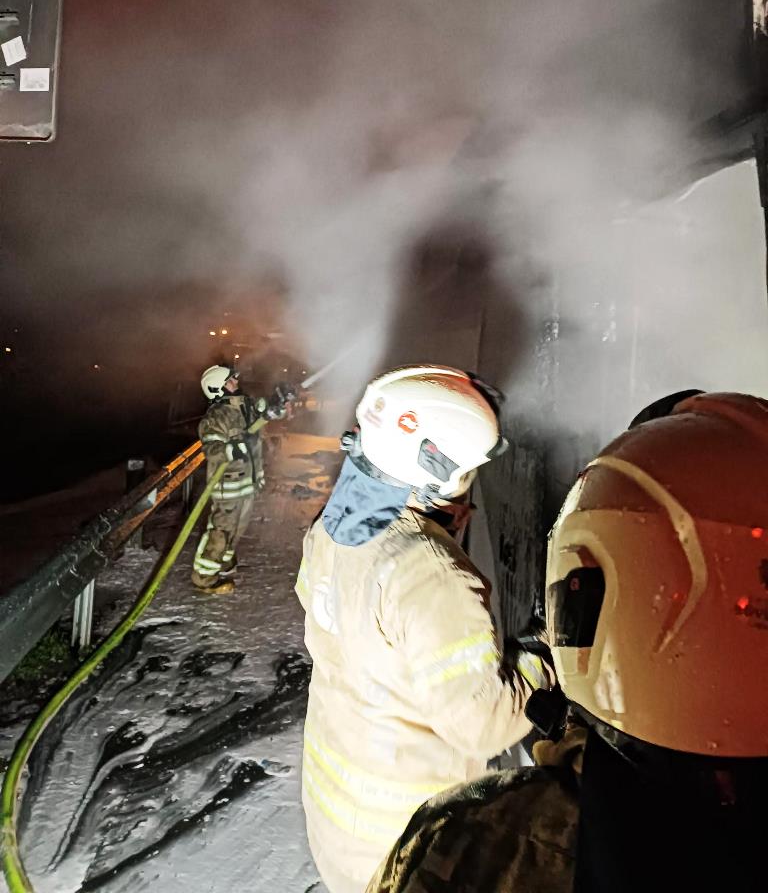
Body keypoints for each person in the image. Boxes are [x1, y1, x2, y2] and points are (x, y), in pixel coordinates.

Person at [366, 391, 768, 893]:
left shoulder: (478, 843)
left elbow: (485, 723)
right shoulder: (428, 569)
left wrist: (544, 652)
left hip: (368, 815)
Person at [295, 365, 553, 893]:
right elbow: (484, 726)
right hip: (407, 852)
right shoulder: (431, 573)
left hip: (339, 829)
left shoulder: (334, 526)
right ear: (439, 469)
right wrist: (543, 654)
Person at [192, 364, 293, 594]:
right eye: (230, 380)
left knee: (237, 528)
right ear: (217, 388)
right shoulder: (217, 416)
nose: (236, 382)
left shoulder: (245, 405)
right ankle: (204, 577)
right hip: (228, 486)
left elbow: (266, 411)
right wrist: (232, 449)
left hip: (247, 482)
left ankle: (223, 562)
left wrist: (280, 400)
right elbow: (212, 448)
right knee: (221, 530)